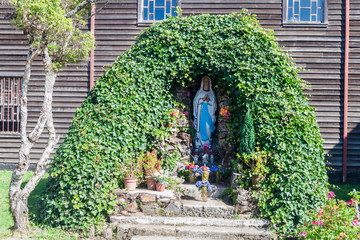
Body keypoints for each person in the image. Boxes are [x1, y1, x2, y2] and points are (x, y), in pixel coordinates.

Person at [193, 76, 217, 148]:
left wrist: (208, 101)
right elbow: (195, 104)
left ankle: (207, 145)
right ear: (202, 83)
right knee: (201, 128)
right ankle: (199, 145)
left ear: (210, 83)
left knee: (208, 129)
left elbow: (215, 106)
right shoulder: (199, 93)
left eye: (207, 81)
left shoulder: (211, 94)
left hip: (209, 115)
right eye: (205, 81)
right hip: (201, 114)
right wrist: (202, 100)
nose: (206, 83)